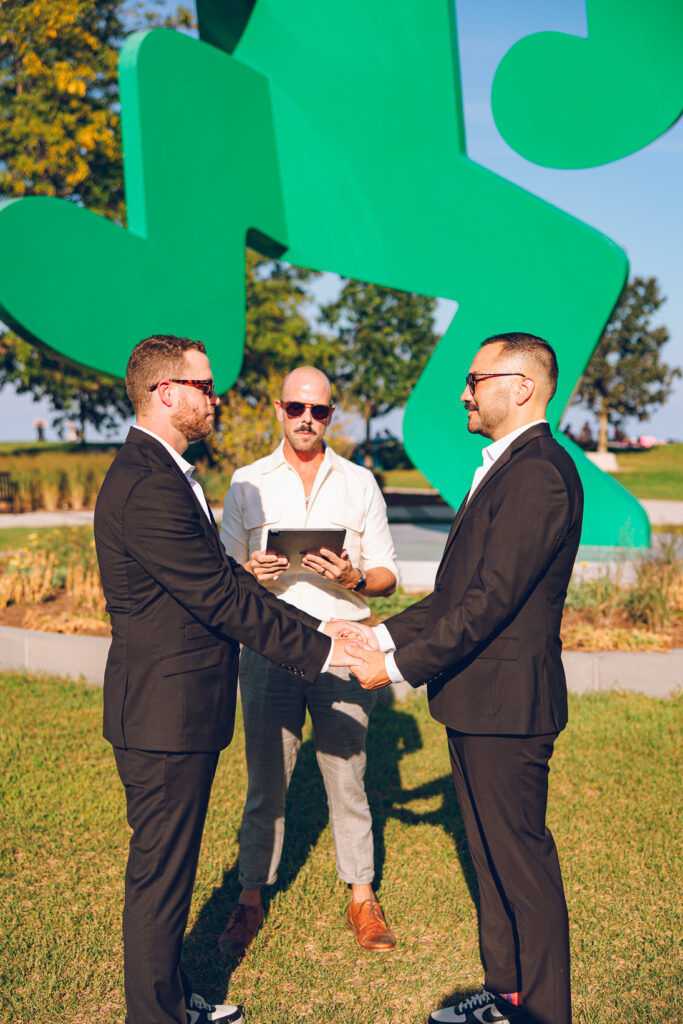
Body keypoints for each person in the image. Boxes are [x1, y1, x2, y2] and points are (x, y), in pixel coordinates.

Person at [94, 336, 358, 1024]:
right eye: (205, 387)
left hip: (174, 705)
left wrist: (243, 584)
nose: (216, 397)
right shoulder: (149, 481)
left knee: (169, 876)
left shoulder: (165, 470)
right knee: (160, 879)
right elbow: (216, 599)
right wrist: (324, 645)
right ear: (166, 392)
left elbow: (202, 585)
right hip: (163, 710)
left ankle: (172, 1001)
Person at [345, 333, 583, 1024]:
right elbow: (456, 593)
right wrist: (382, 634)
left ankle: (541, 1013)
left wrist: (392, 669)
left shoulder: (538, 471)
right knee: (490, 857)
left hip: (509, 704)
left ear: (522, 386)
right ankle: (505, 993)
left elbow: (490, 602)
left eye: (474, 378)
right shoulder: (503, 466)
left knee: (522, 866)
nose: (463, 391)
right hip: (477, 701)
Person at [218, 366, 399, 954]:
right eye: (297, 408)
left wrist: (353, 576)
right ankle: (249, 900)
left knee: (348, 777)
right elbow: (217, 579)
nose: (306, 420)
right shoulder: (247, 483)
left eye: (318, 411)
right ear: (279, 408)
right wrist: (249, 571)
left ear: (331, 414)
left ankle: (362, 898)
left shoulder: (359, 482)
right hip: (268, 646)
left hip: (343, 648)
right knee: (267, 780)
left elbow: (388, 576)